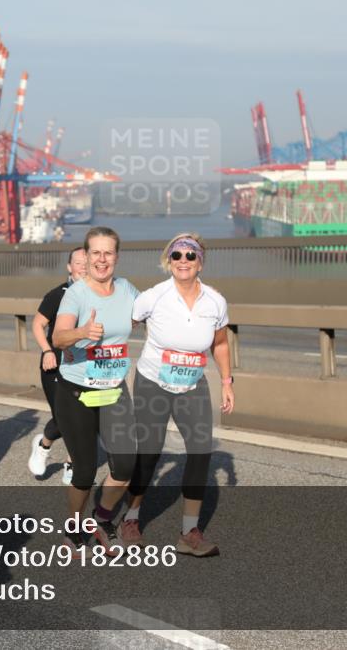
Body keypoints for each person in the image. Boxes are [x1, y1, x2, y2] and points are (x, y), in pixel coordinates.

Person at [121, 233, 234, 557]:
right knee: (149, 451)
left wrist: (227, 381)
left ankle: (189, 532)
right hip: (153, 382)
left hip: (193, 384)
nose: (183, 261)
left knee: (200, 451)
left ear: (201, 261)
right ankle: (130, 518)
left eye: (190, 255)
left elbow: (221, 343)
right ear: (167, 261)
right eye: (177, 255)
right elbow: (122, 327)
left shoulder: (215, 301)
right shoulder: (153, 297)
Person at [51, 227, 139, 551]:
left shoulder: (128, 289)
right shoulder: (76, 294)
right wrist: (82, 331)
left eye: (108, 253)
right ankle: (73, 527)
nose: (102, 260)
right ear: (86, 257)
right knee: (85, 471)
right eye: (96, 253)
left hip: (112, 389)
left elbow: (149, 314)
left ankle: (102, 518)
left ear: (116, 256)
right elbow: (58, 338)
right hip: (76, 390)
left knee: (126, 465)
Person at [27, 246, 88, 483]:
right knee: (65, 418)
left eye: (87, 262)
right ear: (69, 267)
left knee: (84, 417)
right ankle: (43, 445)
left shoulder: (97, 294)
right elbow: (37, 324)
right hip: (55, 364)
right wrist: (46, 351)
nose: (83, 267)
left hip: (85, 366)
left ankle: (72, 464)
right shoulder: (58, 294)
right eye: (78, 263)